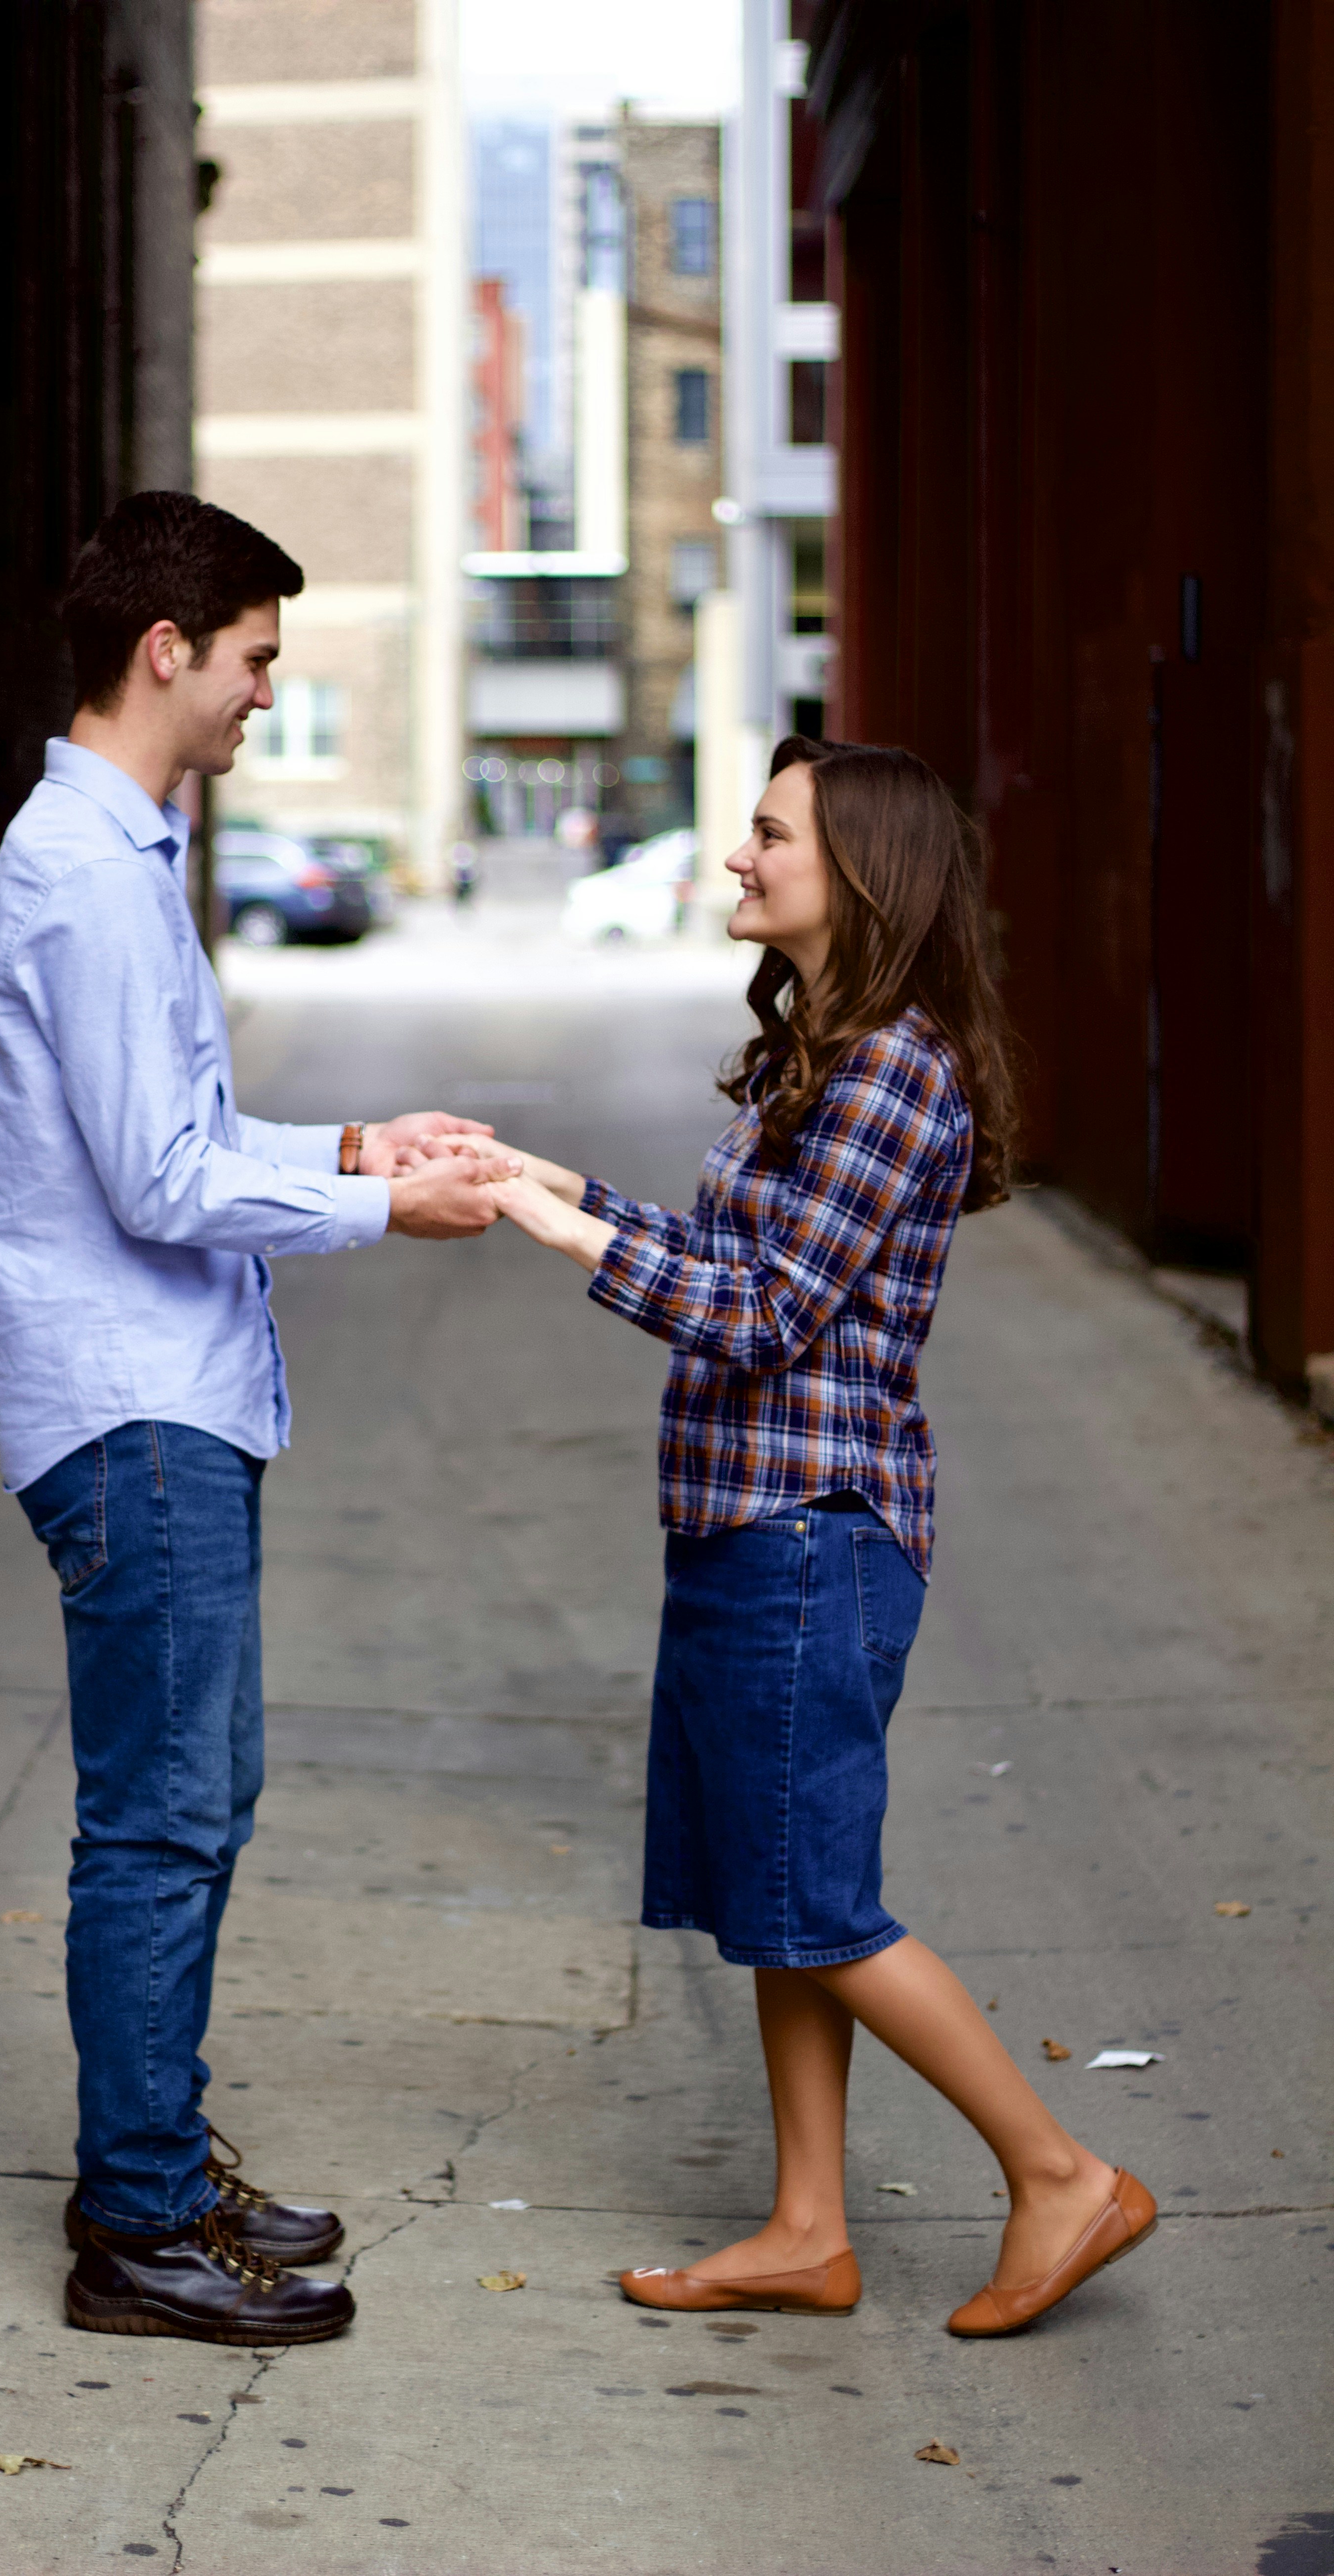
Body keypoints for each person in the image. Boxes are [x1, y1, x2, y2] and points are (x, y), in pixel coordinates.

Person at [477, 736, 1156, 2337]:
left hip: (810, 1538)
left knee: (822, 1904)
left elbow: (762, 1314)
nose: (739, 856)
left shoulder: (891, 1072)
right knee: (783, 1898)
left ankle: (1061, 2175)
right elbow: (735, 1253)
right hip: (753, 1528)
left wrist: (549, 1227)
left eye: (768, 834)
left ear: (860, 872)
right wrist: (541, 1175)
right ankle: (805, 2229)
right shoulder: (828, 1057)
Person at [0, 490, 513, 2347]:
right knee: (162, 1820)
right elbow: (160, 1183)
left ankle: (154, 2161)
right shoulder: (82, 872)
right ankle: (135, 2228)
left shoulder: (123, 856)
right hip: (133, 1415)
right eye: (258, 659)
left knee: (202, 1802)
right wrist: (387, 1212)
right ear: (167, 649)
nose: (269, 692)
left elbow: (180, 1133)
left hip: (168, 1404)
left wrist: (355, 1144)